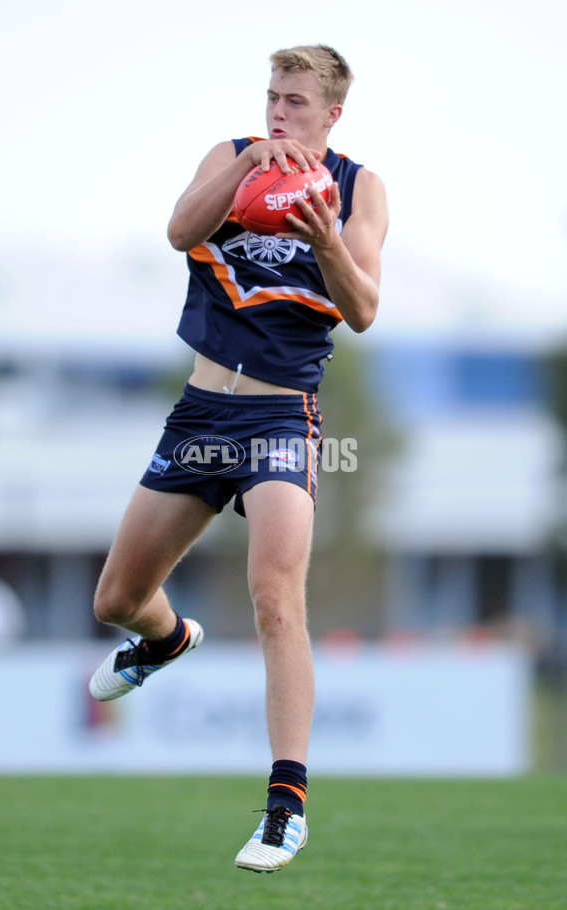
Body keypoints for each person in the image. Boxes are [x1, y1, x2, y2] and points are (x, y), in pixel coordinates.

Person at [89, 44, 388, 872]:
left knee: (275, 597)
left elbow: (362, 307)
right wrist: (251, 164)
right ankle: (167, 640)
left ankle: (286, 808)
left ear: (332, 115)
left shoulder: (359, 188)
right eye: (271, 97)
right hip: (199, 416)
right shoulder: (231, 158)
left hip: (281, 418)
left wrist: (325, 237)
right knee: (117, 598)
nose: (278, 112)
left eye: (295, 102)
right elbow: (180, 230)